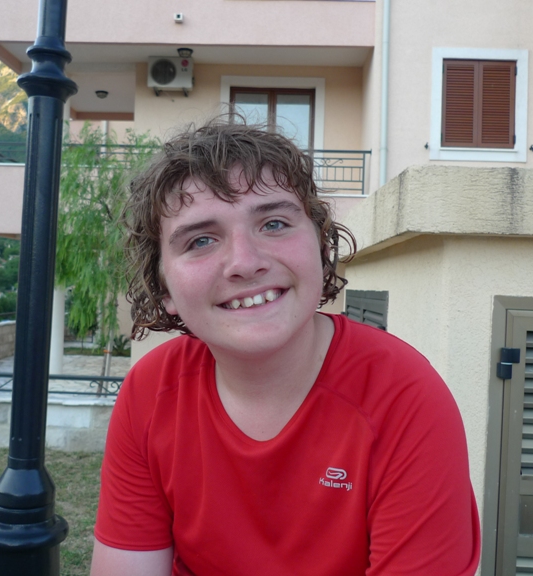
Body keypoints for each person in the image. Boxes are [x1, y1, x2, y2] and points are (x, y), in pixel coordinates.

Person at [90, 119, 480, 576]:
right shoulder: (151, 390)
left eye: (274, 223)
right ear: (164, 289)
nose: (244, 263)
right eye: (201, 240)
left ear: (321, 245)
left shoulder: (404, 398)